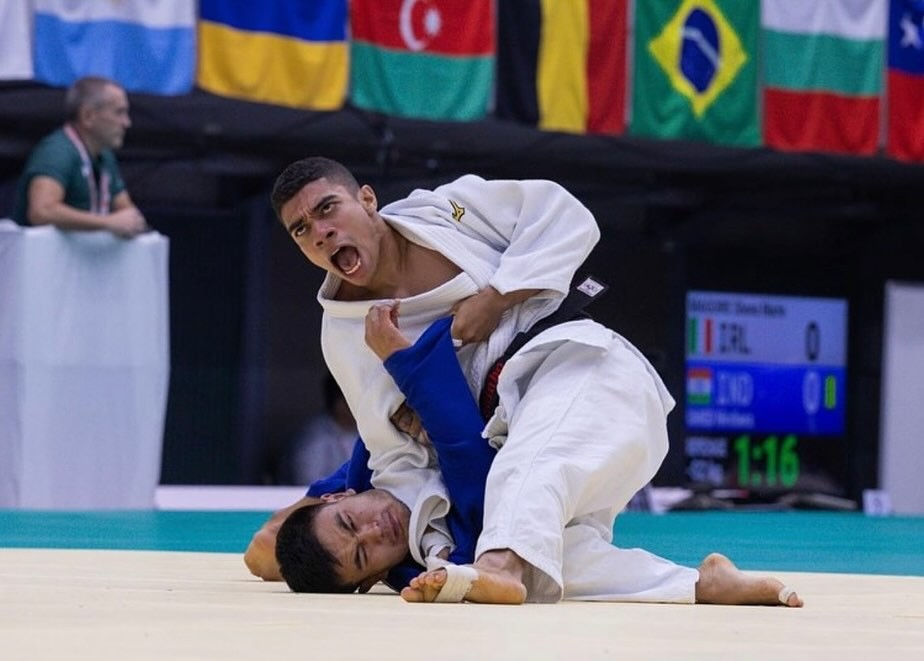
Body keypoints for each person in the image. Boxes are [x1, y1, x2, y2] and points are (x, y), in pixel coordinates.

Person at [274, 303, 802, 607]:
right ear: (370, 580)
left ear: (341, 495)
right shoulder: (430, 558)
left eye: (349, 522)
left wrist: (401, 364)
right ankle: (700, 584)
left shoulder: (377, 454)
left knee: (518, 483)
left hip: (578, 372)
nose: (373, 533)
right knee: (551, 566)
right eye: (363, 555)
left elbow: (461, 445)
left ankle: (500, 567)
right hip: (595, 437)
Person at [11, 75, 147, 237]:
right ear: (88, 116)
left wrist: (131, 222)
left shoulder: (104, 156)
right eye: (119, 112)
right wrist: (108, 222)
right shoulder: (57, 151)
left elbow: (127, 213)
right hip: (38, 259)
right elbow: (42, 211)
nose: (127, 122)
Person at [281, 371, 358, 486]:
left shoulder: (365, 433)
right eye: (353, 401)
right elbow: (309, 485)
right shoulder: (316, 439)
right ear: (339, 404)